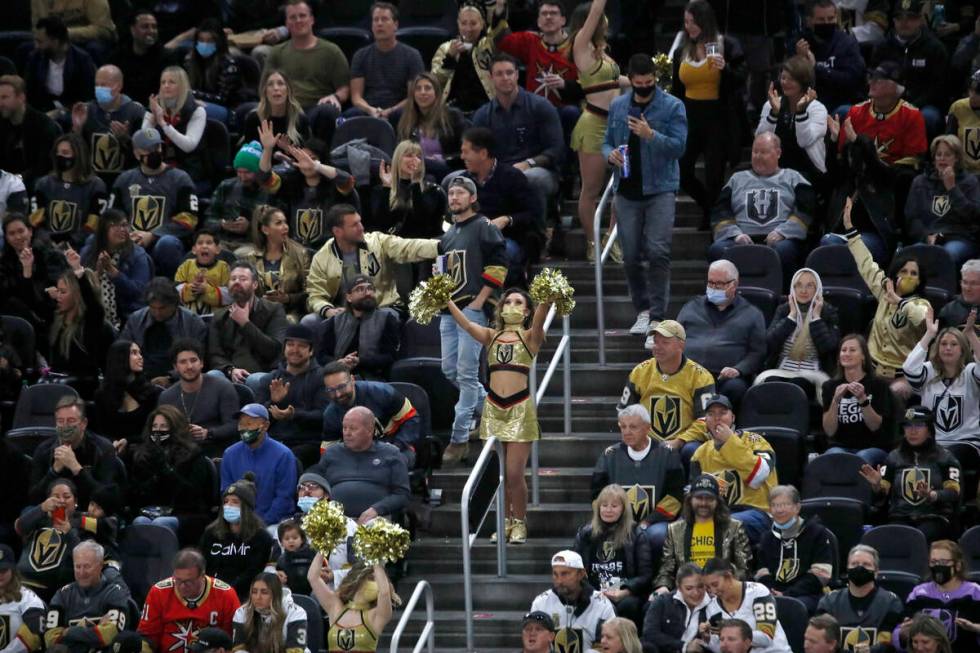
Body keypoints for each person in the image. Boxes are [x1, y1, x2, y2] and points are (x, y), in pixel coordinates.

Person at [444, 286, 545, 535]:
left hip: (519, 408)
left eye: (518, 302)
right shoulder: (491, 335)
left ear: (527, 310)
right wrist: (446, 300)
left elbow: (542, 316)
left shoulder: (531, 337)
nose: (512, 306)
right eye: (507, 301)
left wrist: (548, 296)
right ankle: (504, 524)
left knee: (514, 473)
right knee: (499, 476)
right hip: (493, 408)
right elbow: (467, 326)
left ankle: (519, 522)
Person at [438, 177, 508, 464]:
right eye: (451, 193)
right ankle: (496, 413)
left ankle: (459, 438)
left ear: (472, 197)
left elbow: (500, 264)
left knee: (466, 375)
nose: (454, 197)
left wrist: (481, 300)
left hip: (473, 309)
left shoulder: (484, 226)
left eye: (460, 193)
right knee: (449, 370)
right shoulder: (447, 234)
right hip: (449, 310)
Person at [826, 63, 927, 262]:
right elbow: (842, 169)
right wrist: (834, 143)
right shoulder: (856, 112)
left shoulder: (912, 116)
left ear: (894, 87)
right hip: (858, 191)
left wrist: (861, 144)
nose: (871, 82)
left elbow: (901, 175)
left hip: (889, 196)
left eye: (879, 80)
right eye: (871, 77)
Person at [841, 196, 931, 397]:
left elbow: (922, 319)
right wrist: (850, 229)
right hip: (872, 370)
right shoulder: (883, 289)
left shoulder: (921, 303)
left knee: (892, 394)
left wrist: (898, 302)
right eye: (904, 271)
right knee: (848, 389)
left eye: (913, 274)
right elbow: (866, 263)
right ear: (895, 273)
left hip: (903, 375)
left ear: (919, 281)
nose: (907, 276)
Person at [670, 0, 747, 228]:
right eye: (685, 22)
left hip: (718, 118)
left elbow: (741, 79)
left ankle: (712, 218)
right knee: (682, 171)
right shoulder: (681, 50)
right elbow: (677, 90)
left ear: (705, 21)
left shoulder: (727, 45)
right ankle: (711, 207)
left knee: (714, 174)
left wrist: (726, 69)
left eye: (693, 22)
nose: (689, 27)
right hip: (689, 117)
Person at [709, 132, 815, 286]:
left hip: (781, 239)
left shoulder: (794, 178)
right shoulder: (736, 179)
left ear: (778, 153)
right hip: (741, 238)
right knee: (717, 250)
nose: (758, 156)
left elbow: (806, 211)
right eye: (755, 152)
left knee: (784, 252)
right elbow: (720, 212)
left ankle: (782, 300)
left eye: (763, 152)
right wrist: (735, 235)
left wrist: (783, 232)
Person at [305, 204, 439, 322]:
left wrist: (440, 246)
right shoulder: (322, 257)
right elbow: (315, 295)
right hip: (343, 314)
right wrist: (327, 310)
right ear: (337, 231)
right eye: (354, 225)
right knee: (309, 321)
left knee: (375, 320)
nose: (361, 228)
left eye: (360, 222)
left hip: (382, 307)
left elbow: (408, 247)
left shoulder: (377, 242)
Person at [472, 53, 565, 223]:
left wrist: (527, 164)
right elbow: (475, 152)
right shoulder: (482, 115)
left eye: (509, 72)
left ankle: (540, 235)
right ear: (491, 78)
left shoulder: (541, 106)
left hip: (538, 171)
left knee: (530, 179)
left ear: (517, 75)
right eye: (499, 74)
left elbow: (556, 150)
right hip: (497, 172)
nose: (505, 78)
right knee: (454, 179)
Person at [453, 126, 545, 288]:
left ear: (482, 153)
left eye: (466, 152)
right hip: (472, 237)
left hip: (509, 237)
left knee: (502, 254)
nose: (462, 157)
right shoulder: (463, 181)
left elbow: (532, 214)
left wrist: (507, 219)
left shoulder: (512, 177)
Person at [569, 0, 625, 257]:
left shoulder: (602, 51)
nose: (605, 20)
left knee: (621, 185)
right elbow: (594, 12)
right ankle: (592, 243)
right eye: (601, 17)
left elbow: (616, 81)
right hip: (593, 125)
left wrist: (644, 81)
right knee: (591, 190)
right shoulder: (581, 45)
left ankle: (611, 237)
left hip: (615, 125)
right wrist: (597, 7)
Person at [591, 404, 685, 551]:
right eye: (623, 427)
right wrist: (616, 520)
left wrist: (648, 521)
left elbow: (675, 497)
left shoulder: (667, 454)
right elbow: (596, 494)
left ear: (647, 428)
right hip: (616, 521)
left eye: (633, 427)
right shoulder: (610, 455)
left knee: (657, 535)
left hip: (655, 522)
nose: (627, 432)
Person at [860, 406, 962, 541]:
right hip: (899, 517)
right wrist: (877, 486)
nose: (912, 431)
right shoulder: (893, 457)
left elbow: (954, 492)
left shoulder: (945, 457)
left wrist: (932, 495)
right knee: (893, 538)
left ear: (929, 430)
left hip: (934, 517)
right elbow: (880, 498)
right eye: (908, 426)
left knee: (918, 538)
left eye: (919, 425)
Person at [676, 260, 766, 411]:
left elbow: (757, 353)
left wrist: (738, 369)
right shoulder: (692, 306)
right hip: (689, 373)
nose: (713, 288)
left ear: (734, 284)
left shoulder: (752, 314)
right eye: (710, 283)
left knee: (736, 388)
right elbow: (675, 337)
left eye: (719, 284)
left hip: (724, 378)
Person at [110, 127, 199, 278]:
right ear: (137, 154)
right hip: (130, 240)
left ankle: (173, 288)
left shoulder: (180, 178)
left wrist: (153, 235)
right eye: (148, 149)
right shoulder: (124, 180)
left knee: (168, 243)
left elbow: (189, 219)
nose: (155, 152)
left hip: (163, 242)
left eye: (157, 147)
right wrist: (128, 234)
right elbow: (111, 216)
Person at [255, 123, 358, 252]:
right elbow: (264, 178)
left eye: (313, 159)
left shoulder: (334, 185)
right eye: (302, 159)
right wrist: (267, 149)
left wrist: (316, 166)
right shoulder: (289, 182)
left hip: (330, 251)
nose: (306, 163)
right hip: (294, 251)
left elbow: (347, 181)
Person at [690, 394, 778, 545]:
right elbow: (694, 494)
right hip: (718, 514)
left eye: (722, 413)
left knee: (721, 526)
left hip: (758, 513)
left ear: (733, 418)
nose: (717, 418)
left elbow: (759, 475)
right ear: (706, 421)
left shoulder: (755, 441)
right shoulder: (700, 453)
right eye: (711, 414)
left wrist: (729, 442)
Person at [904, 309, 980, 474]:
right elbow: (909, 369)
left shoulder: (970, 372)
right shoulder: (929, 371)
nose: (948, 348)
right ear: (937, 348)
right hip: (933, 441)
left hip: (966, 442)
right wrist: (929, 334)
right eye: (944, 344)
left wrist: (970, 334)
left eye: (954, 344)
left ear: (962, 350)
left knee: (945, 457)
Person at [616, 318, 714, 444]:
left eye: (665, 342)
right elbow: (624, 412)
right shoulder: (639, 372)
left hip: (685, 442)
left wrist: (680, 441)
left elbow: (705, 419)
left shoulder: (700, 376)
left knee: (692, 450)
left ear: (681, 345)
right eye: (655, 342)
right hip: (646, 441)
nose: (657, 347)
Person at [262, 0, 349, 138]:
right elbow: (264, 86)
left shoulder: (331, 51)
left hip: (317, 107)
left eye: (302, 16)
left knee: (328, 111)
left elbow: (344, 88)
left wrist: (335, 96)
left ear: (312, 19)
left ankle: (318, 155)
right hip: (284, 107)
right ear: (286, 24)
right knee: (247, 110)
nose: (298, 20)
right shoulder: (276, 52)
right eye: (293, 17)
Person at [654, 474, 752, 593]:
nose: (704, 503)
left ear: (717, 501)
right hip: (688, 591)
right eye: (699, 498)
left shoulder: (734, 527)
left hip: (721, 590)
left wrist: (722, 581)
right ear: (690, 500)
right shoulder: (674, 530)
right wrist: (663, 586)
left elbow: (744, 568)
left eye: (709, 499)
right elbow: (666, 569)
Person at [129, 405, 214, 542]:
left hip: (186, 513)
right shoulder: (143, 454)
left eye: (163, 427)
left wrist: (165, 470)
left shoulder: (193, 455)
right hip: (152, 511)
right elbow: (136, 493)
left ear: (175, 428)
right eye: (155, 426)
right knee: (140, 521)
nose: (158, 431)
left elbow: (192, 495)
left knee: (160, 524)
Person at [311, 406, 411, 523]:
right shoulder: (331, 453)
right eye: (344, 428)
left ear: (369, 430)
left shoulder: (391, 454)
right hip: (335, 521)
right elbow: (318, 486)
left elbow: (402, 495)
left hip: (377, 519)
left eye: (353, 429)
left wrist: (377, 509)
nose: (347, 433)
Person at [573, 484, 652, 624]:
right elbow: (575, 569)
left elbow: (645, 575)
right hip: (592, 592)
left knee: (629, 605)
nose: (608, 510)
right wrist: (593, 593)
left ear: (623, 509)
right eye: (604, 505)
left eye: (614, 506)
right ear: (598, 508)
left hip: (624, 594)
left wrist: (626, 591)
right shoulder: (585, 534)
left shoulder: (636, 534)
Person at [756, 267, 840, 397]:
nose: (803, 290)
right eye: (798, 285)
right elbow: (770, 343)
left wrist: (816, 318)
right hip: (781, 370)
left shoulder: (827, 312)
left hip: (813, 373)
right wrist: (791, 316)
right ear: (792, 289)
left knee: (797, 384)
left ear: (817, 289)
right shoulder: (784, 310)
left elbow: (828, 348)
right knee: (771, 383)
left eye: (809, 286)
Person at [207, 260, 289, 393]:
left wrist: (245, 323)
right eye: (233, 279)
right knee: (212, 376)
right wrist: (230, 370)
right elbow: (215, 354)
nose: (237, 282)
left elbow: (274, 350)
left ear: (255, 284)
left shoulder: (274, 310)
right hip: (231, 373)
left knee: (255, 380)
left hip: (263, 371)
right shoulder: (220, 316)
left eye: (243, 279)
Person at [138, 548, 241, 653]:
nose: (182, 586)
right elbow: (146, 637)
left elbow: (234, 642)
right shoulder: (158, 592)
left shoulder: (226, 595)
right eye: (178, 580)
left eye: (188, 581)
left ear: (202, 576)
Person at [870, 0, 948, 138]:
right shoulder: (882, 46)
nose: (904, 23)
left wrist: (911, 106)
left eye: (910, 18)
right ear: (893, 20)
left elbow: (939, 87)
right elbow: (871, 77)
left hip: (922, 104)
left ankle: (923, 157)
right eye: (899, 18)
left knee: (929, 117)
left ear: (920, 20)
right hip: (886, 102)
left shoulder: (935, 48)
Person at [254, 324, 328, 465]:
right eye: (290, 345)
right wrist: (274, 402)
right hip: (273, 440)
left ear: (311, 351)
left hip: (308, 442)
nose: (295, 350)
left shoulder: (322, 377)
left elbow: (324, 416)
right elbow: (255, 419)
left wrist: (294, 415)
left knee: (283, 460)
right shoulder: (270, 379)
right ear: (284, 349)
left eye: (301, 346)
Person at [28, 397, 122, 507]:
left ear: (84, 423)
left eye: (71, 421)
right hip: (54, 512)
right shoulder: (44, 450)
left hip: (89, 513)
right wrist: (54, 471)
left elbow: (108, 500)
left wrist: (76, 468)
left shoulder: (104, 448)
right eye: (60, 421)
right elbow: (33, 499)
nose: (65, 426)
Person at [754, 485, 835, 613]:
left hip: (808, 595)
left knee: (792, 608)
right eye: (774, 505)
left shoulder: (817, 533)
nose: (779, 510)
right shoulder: (767, 537)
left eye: (784, 504)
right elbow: (762, 573)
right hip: (773, 594)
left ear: (797, 507)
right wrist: (772, 592)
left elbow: (820, 575)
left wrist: (787, 594)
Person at [821, 333, 898, 467]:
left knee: (862, 458)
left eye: (852, 350)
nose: (846, 353)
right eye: (843, 350)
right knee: (833, 455)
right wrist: (835, 401)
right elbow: (829, 430)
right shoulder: (830, 387)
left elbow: (875, 426)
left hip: (873, 447)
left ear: (863, 356)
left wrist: (862, 399)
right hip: (841, 446)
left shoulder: (878, 385)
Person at [905, 135, 980, 270]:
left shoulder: (969, 182)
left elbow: (973, 217)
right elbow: (912, 218)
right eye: (938, 155)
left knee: (945, 254)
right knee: (910, 256)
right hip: (928, 238)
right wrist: (926, 237)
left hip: (959, 238)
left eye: (947, 154)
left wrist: (952, 188)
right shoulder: (920, 182)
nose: (942, 158)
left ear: (957, 158)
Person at [46, 253, 115, 396]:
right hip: (56, 383)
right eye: (57, 291)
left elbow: (93, 307)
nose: (58, 296)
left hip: (83, 388)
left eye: (63, 292)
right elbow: (30, 307)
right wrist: (27, 271)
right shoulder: (56, 318)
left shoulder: (91, 323)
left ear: (77, 295)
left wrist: (78, 271)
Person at [43, 541, 130, 653]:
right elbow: (50, 639)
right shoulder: (62, 594)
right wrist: (95, 630)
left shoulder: (115, 593)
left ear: (100, 566)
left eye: (87, 566)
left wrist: (68, 632)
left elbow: (109, 635)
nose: (82, 572)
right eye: (77, 567)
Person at [200, 475, 277, 602]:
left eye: (235, 502)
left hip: (242, 596)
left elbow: (253, 572)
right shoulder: (211, 534)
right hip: (209, 593)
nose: (228, 505)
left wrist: (228, 591)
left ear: (246, 508)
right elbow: (202, 564)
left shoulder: (261, 537)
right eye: (226, 501)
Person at [158, 338, 240, 456]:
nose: (189, 366)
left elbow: (234, 425)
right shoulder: (166, 397)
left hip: (216, 452)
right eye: (183, 362)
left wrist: (207, 433)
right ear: (175, 367)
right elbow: (162, 433)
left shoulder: (223, 387)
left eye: (193, 360)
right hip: (180, 455)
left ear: (201, 363)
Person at [220, 404, 298, 527]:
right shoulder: (230, 454)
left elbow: (284, 497)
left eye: (249, 424)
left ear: (265, 426)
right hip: (237, 522)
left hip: (273, 522)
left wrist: (261, 523)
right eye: (241, 424)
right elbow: (226, 491)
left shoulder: (283, 455)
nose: (244, 428)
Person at [895, 540, 980, 653]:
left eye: (943, 562)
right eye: (934, 562)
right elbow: (898, 634)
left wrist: (975, 628)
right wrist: (902, 634)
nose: (938, 566)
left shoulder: (974, 592)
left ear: (958, 565)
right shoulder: (919, 592)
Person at [119, 278, 208, 382]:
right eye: (153, 308)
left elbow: (198, 360)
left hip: (180, 380)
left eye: (162, 308)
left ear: (174, 304)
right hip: (140, 377)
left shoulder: (193, 323)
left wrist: (171, 378)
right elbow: (122, 353)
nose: (157, 313)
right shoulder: (135, 320)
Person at [816, 544, 904, 650]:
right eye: (854, 564)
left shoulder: (891, 602)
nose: (859, 568)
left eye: (866, 564)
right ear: (847, 570)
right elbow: (823, 641)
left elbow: (888, 643)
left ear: (876, 572)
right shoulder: (829, 602)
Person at [756, 56, 828, 183]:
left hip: (807, 172)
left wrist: (800, 113)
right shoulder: (771, 104)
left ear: (803, 81)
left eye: (791, 79)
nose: (785, 82)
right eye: (783, 78)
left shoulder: (818, 109)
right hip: (774, 170)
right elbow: (760, 139)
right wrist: (773, 114)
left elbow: (804, 141)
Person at [348, 2, 425, 120]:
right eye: (376, 20)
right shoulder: (360, 55)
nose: (379, 23)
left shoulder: (412, 55)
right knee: (347, 117)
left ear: (396, 25)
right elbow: (356, 97)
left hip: (399, 109)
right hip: (368, 109)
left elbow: (413, 96)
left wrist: (390, 111)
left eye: (384, 19)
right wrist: (371, 110)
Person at [31, 133, 108, 250]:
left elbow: (94, 225)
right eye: (57, 153)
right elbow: (36, 222)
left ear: (78, 155)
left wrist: (70, 242)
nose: (59, 156)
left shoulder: (96, 186)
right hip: (46, 246)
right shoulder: (43, 184)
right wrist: (48, 241)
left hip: (80, 247)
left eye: (65, 153)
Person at [529, 550, 616, 653]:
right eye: (555, 574)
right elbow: (534, 644)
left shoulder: (602, 604)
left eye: (565, 574)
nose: (559, 581)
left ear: (581, 574)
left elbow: (609, 646)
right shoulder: (541, 603)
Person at [316, 276, 401, 381]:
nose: (367, 293)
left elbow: (390, 357)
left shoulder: (386, 319)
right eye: (360, 289)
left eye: (370, 288)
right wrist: (339, 363)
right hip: (338, 377)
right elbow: (321, 356)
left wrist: (359, 361)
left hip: (373, 379)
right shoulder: (334, 322)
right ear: (349, 297)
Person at [308, 555, 397, 653]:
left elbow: (384, 593)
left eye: (377, 580)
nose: (376, 584)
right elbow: (313, 577)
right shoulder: (336, 609)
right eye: (371, 578)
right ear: (358, 579)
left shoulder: (376, 616)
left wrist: (375, 558)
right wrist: (323, 546)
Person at [71, 64, 146, 180]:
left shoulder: (136, 112)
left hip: (126, 179)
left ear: (119, 86)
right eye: (97, 85)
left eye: (104, 85)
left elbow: (144, 154)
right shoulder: (85, 110)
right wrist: (77, 129)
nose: (99, 88)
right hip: (91, 180)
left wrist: (125, 139)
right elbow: (75, 153)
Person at [702, 558, 793, 653]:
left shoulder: (758, 592)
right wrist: (708, 639)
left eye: (715, 584)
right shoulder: (712, 608)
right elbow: (721, 649)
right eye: (708, 587)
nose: (713, 591)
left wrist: (735, 635)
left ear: (728, 576)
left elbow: (767, 638)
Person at [81, 209, 153, 328]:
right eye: (115, 225)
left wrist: (113, 272)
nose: (122, 230)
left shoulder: (137, 255)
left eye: (125, 225)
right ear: (103, 229)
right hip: (92, 317)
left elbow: (140, 292)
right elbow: (81, 289)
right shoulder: (89, 252)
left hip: (127, 318)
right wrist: (97, 274)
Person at [239, 204, 310, 323]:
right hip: (258, 313)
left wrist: (287, 298)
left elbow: (309, 292)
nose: (285, 227)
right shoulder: (250, 258)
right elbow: (243, 291)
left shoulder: (300, 254)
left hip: (290, 313)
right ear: (265, 230)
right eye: (279, 223)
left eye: (285, 222)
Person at [206, 143, 279, 255]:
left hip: (253, 244)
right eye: (239, 172)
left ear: (258, 171)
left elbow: (277, 228)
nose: (243, 177)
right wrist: (222, 224)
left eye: (247, 172)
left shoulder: (269, 192)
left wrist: (249, 227)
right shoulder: (226, 186)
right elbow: (208, 219)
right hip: (223, 241)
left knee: (242, 255)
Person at [794, 0, 865, 115]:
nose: (826, 23)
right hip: (812, 103)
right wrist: (799, 63)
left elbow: (851, 80)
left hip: (842, 102)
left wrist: (816, 67)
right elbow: (791, 81)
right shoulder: (801, 44)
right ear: (810, 21)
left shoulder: (847, 43)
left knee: (843, 111)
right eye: (821, 20)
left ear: (836, 18)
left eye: (831, 18)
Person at [0, 212, 65, 336]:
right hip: (18, 318)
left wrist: (27, 270)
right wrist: (26, 270)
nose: (18, 237)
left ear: (30, 231)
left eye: (21, 231)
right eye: (12, 234)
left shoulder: (51, 257)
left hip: (49, 315)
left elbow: (51, 292)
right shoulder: (4, 264)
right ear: (6, 238)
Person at [288, 471, 357, 588]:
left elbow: (362, 568)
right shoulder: (288, 526)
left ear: (326, 496)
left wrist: (335, 575)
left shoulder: (347, 525)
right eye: (301, 488)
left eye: (313, 486)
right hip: (294, 587)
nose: (306, 491)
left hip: (335, 589)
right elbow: (274, 564)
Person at [15, 479, 80, 602]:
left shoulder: (82, 524)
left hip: (52, 590)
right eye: (55, 497)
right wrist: (42, 508)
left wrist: (69, 533)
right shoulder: (38, 517)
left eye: (66, 497)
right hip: (20, 583)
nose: (61, 501)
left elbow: (83, 555)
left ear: (75, 501)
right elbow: (20, 527)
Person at [395, 73, 467, 181]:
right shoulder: (406, 120)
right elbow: (400, 151)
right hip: (416, 171)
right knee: (428, 178)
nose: (422, 92)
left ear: (436, 93)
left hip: (447, 169)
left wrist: (443, 159)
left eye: (427, 88)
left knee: (426, 171)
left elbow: (466, 151)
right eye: (418, 89)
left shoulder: (453, 116)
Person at [368, 140, 447, 238]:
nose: (414, 160)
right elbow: (381, 225)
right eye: (409, 155)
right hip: (392, 247)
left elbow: (423, 224)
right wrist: (387, 188)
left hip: (421, 246)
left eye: (418, 157)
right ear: (398, 159)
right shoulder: (381, 190)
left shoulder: (432, 190)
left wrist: (416, 186)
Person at [141, 66, 207, 183]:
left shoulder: (197, 111)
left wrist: (163, 123)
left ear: (182, 86)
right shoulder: (154, 107)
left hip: (188, 169)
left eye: (172, 82)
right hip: (158, 166)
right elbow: (142, 143)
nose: (166, 85)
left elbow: (188, 145)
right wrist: (153, 119)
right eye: (163, 82)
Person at [93, 340, 162, 447]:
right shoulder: (102, 395)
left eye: (140, 353)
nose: (140, 357)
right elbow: (101, 431)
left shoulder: (152, 393)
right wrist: (112, 443)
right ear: (120, 357)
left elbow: (155, 433)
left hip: (144, 449)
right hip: (112, 449)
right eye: (134, 353)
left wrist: (129, 441)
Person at [431, 4, 498, 115]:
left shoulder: (490, 45)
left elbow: (498, 30)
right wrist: (450, 57)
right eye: (464, 23)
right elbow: (435, 82)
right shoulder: (445, 48)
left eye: (473, 23)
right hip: (453, 108)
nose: (468, 29)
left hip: (486, 108)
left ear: (482, 24)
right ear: (458, 24)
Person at [183, 20, 253, 124]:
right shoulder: (190, 62)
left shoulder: (229, 64)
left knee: (190, 108)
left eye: (210, 41)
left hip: (227, 109)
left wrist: (192, 95)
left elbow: (223, 99)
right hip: (198, 103)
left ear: (219, 42)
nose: (205, 44)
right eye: (201, 40)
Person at [0, 75, 61, 191]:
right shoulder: (2, 123)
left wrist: (16, 179)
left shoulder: (43, 125)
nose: (0, 103)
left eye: (5, 97)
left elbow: (43, 166)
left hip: (33, 183)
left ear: (21, 97)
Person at [25, 17, 96, 114]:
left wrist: (61, 112)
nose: (36, 46)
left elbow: (87, 97)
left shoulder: (82, 60)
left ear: (55, 41)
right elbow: (30, 94)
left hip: (73, 113)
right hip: (43, 112)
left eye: (40, 42)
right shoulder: (35, 58)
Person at [642, 563, 711, 653]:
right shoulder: (662, 602)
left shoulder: (713, 605)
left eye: (700, 587)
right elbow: (650, 633)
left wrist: (708, 639)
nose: (696, 593)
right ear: (679, 587)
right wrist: (683, 646)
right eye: (689, 588)